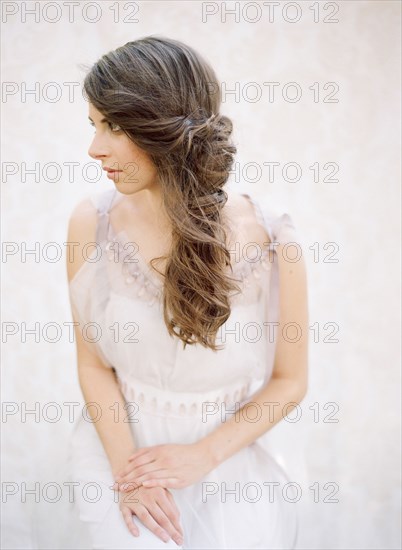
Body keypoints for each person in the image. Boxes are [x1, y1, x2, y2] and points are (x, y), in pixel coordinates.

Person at [66, 35, 309, 549]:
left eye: (113, 125)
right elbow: (92, 365)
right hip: (122, 451)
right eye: (94, 125)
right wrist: (129, 477)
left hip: (229, 457)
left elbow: (290, 381)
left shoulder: (273, 237)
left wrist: (204, 456)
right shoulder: (92, 223)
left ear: (162, 129)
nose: (94, 148)